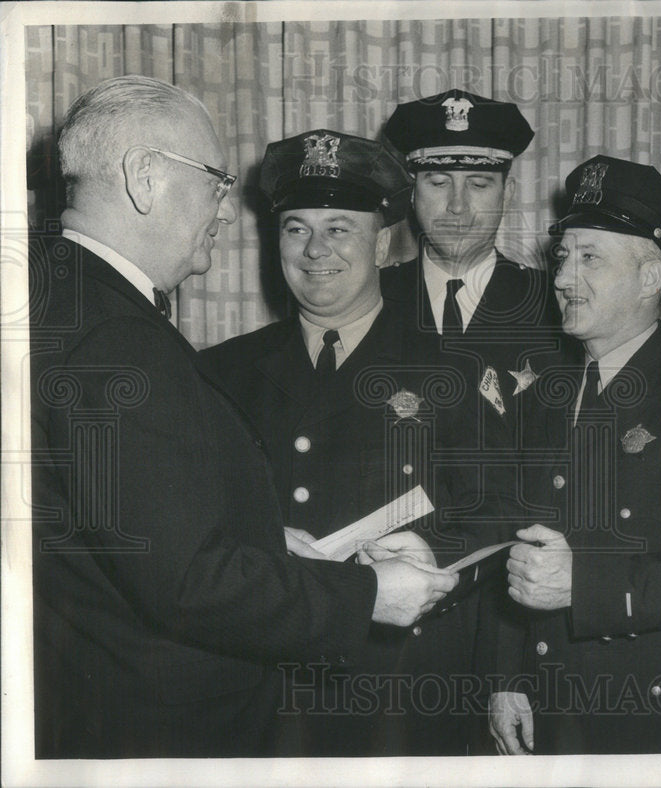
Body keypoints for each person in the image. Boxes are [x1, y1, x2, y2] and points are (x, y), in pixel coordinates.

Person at [29, 76, 456, 759]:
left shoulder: (55, 298)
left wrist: (263, 535)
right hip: (157, 728)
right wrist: (365, 593)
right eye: (214, 181)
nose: (227, 213)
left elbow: (136, 524)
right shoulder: (118, 338)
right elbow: (188, 582)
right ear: (143, 178)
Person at [202, 129, 477, 755]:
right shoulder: (221, 374)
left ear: (382, 244)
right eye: (296, 228)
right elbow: (192, 528)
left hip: (401, 686)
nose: (315, 249)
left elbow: (499, 508)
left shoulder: (452, 372)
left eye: (339, 228)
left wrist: (433, 549)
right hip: (270, 685)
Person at [490, 156, 661, 754]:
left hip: (650, 719)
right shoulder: (542, 397)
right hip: (545, 709)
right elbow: (511, 545)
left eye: (590, 257)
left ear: (650, 279)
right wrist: (506, 678)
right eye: (562, 256)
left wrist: (584, 585)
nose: (564, 277)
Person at [382, 90, 567, 750]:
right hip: (380, 638)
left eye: (479, 183)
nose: (458, 207)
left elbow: (551, 501)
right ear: (411, 190)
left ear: (506, 190)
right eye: (437, 181)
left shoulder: (557, 314)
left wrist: (510, 672)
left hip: (505, 634)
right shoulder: (366, 302)